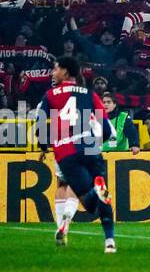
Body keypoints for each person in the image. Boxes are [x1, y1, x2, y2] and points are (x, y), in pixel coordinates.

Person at [33, 57, 118, 253]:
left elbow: (40, 124)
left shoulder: (50, 95)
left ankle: (63, 224)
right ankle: (109, 242)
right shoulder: (89, 93)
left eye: (55, 69)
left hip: (66, 154)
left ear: (65, 72)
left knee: (88, 200)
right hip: (89, 148)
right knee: (101, 191)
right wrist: (96, 143)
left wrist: (44, 146)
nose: (53, 73)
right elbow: (106, 128)